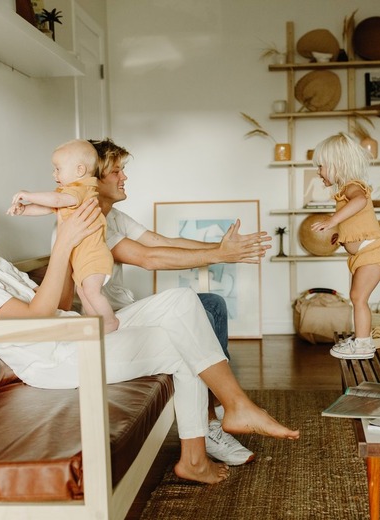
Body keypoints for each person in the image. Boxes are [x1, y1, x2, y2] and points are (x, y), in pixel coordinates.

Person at [0, 178, 300, 485]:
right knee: (180, 342)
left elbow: (57, 306)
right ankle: (199, 454)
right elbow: (36, 319)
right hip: (57, 359)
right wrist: (64, 244)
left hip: (74, 331)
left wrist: (69, 243)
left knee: (184, 304)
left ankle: (234, 408)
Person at [89, 138, 272, 466]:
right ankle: (215, 421)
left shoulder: (113, 216)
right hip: (108, 322)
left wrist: (221, 247)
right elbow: (147, 257)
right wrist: (219, 254)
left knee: (211, 304)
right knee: (198, 305)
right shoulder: (89, 222)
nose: (124, 177)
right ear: (94, 178)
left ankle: (215, 416)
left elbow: (162, 241)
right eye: (116, 171)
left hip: (124, 311)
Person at [7, 139, 119, 333]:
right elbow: (49, 205)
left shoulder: (81, 189)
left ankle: (110, 322)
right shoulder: (69, 192)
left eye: (58, 169)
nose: (54, 174)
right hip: (83, 258)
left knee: (91, 292)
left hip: (93, 255)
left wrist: (29, 195)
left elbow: (56, 200)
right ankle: (96, 322)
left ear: (79, 170)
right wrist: (24, 210)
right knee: (85, 294)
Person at [309, 133, 380, 360]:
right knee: (357, 297)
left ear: (337, 165)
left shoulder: (353, 187)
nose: (318, 172)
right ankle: (361, 339)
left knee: (358, 297)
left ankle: (363, 345)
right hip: (365, 253)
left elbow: (360, 202)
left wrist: (332, 220)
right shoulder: (343, 191)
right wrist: (340, 235)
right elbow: (355, 221)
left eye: (321, 166)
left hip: (374, 252)